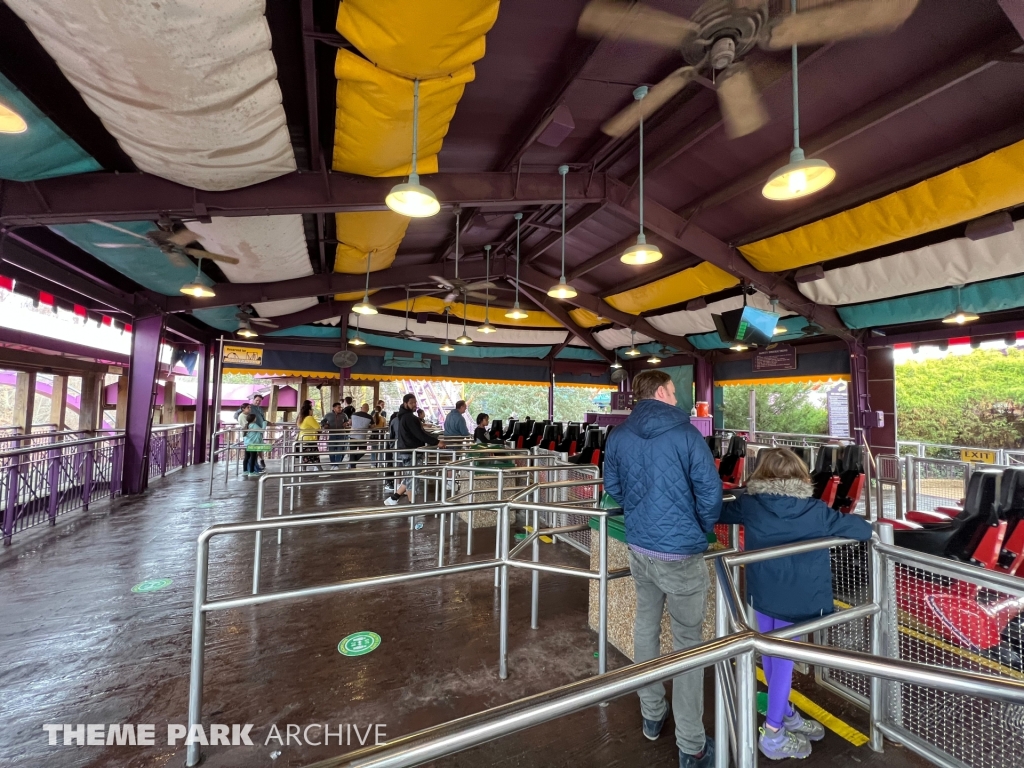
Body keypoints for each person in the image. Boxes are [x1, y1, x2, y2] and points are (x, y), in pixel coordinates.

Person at [718, 447, 872, 760]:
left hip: (762, 594)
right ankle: (773, 733)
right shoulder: (815, 510)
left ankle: (785, 712)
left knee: (772, 657)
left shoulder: (751, 505)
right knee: (783, 660)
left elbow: (716, 509)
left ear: (761, 475)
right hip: (800, 598)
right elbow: (861, 530)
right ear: (801, 475)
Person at [603, 369, 722, 768]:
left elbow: (614, 490)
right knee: (688, 642)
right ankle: (691, 744)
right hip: (681, 554)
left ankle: (652, 713)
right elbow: (710, 491)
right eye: (673, 393)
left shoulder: (617, 435)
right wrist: (699, 528)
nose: (678, 400)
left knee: (645, 626)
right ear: (659, 392)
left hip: (639, 547)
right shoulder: (687, 435)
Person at [392, 393, 444, 500]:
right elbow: (419, 434)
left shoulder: (403, 417)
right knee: (412, 479)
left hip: (407, 451)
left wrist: (434, 439)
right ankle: (412, 507)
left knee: (410, 476)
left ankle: (394, 498)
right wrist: (436, 442)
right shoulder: (409, 418)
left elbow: (420, 433)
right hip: (412, 452)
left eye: (415, 402)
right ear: (405, 403)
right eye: (411, 403)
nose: (414, 405)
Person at [321, 402, 350, 469]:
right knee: (331, 450)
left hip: (341, 434)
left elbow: (347, 421)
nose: (340, 409)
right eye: (338, 407)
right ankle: (332, 464)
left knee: (340, 450)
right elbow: (323, 421)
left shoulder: (344, 415)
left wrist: (346, 423)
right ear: (334, 408)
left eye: (340, 407)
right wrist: (325, 425)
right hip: (332, 434)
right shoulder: (328, 415)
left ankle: (336, 465)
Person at [347, 403, 374, 469]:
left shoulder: (354, 414)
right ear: (368, 409)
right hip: (362, 437)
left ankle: (352, 465)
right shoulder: (370, 417)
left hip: (352, 435)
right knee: (363, 450)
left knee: (352, 451)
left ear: (361, 408)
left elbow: (350, 423)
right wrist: (368, 426)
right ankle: (352, 463)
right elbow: (373, 426)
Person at [297, 402, 322, 469]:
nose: (312, 411)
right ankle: (321, 471)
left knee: (305, 458)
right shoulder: (309, 418)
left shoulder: (302, 418)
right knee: (315, 457)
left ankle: (304, 472)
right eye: (312, 410)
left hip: (303, 440)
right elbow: (318, 427)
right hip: (310, 440)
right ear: (309, 411)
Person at [242, 413, 264, 477]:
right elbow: (262, 431)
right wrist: (264, 424)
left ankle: (245, 471)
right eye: (255, 418)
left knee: (246, 457)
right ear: (254, 419)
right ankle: (251, 472)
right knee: (253, 458)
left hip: (247, 444)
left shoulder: (246, 425)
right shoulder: (254, 425)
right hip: (253, 444)